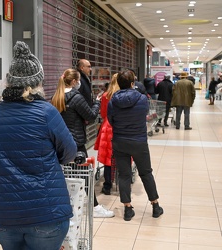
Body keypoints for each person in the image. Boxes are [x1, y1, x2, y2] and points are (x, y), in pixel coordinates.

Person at [0, 41, 77, 250]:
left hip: (4, 214)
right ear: (37, 83)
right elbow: (70, 152)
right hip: (46, 211)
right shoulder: (46, 112)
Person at [51, 68, 115, 218]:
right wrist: (97, 103)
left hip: (61, 142)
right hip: (76, 143)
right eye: (78, 80)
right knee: (85, 175)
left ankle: (67, 206)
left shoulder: (57, 96)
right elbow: (91, 116)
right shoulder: (76, 97)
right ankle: (95, 207)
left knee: (67, 175)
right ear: (74, 81)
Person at [107, 70, 163, 221]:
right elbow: (144, 114)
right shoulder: (143, 99)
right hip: (139, 141)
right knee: (146, 173)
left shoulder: (113, 100)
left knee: (124, 175)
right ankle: (155, 206)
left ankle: (127, 209)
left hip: (120, 141)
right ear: (133, 83)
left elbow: (110, 120)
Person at [94, 73, 120, 196]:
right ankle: (121, 183)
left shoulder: (106, 95)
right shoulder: (124, 96)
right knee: (121, 156)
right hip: (121, 127)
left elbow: (103, 113)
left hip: (107, 128)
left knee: (108, 158)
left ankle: (107, 185)